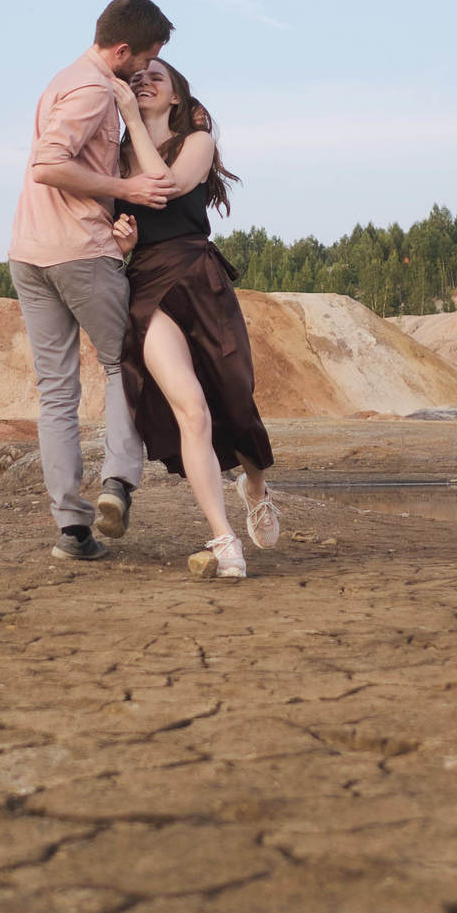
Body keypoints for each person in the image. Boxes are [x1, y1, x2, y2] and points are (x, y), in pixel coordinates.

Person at [9, 0, 177, 561]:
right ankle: (117, 486)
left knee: (55, 389)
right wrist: (126, 190)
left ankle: (72, 531)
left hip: (28, 251)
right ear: (122, 49)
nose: (146, 71)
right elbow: (49, 163)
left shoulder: (62, 80)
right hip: (78, 251)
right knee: (125, 365)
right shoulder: (93, 89)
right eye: (145, 59)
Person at [106, 57, 279, 581]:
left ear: (176, 95)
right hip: (148, 285)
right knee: (192, 411)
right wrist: (123, 243)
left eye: (154, 77)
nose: (143, 82)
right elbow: (116, 218)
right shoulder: (115, 158)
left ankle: (255, 486)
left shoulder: (195, 141)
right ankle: (224, 539)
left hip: (198, 276)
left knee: (235, 401)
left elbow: (167, 187)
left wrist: (132, 121)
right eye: (136, 78)